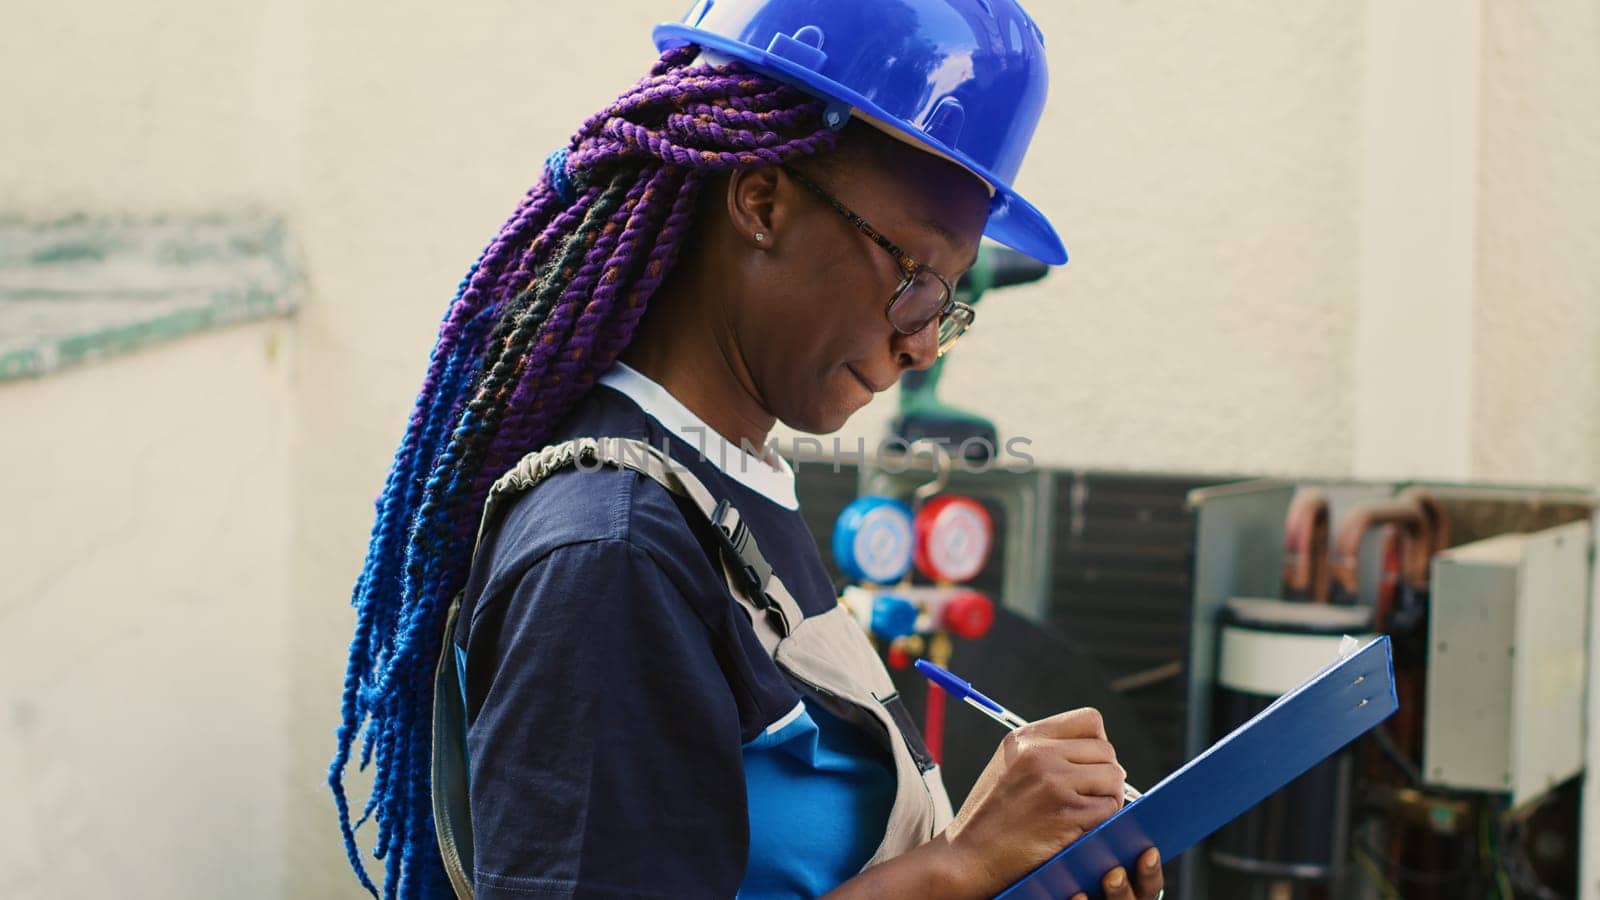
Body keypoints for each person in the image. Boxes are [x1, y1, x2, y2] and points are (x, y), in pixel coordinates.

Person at [331, 2, 1166, 898]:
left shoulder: (721, 485)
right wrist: (962, 865)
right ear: (762, 202)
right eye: (919, 276)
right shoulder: (609, 550)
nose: (924, 342)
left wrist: (1012, 862)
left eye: (948, 302)